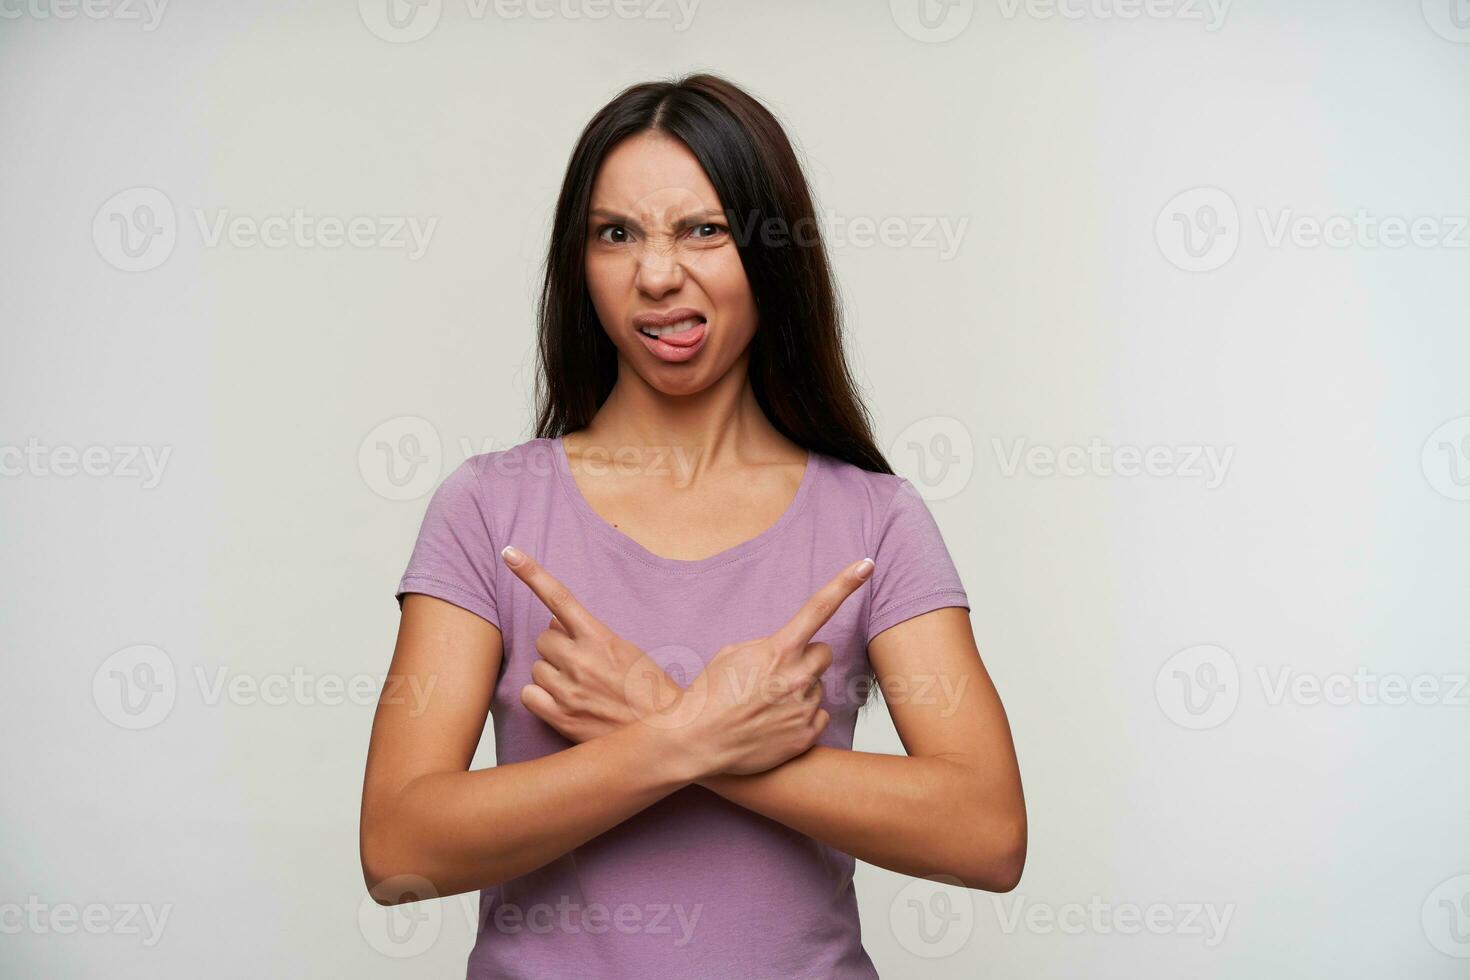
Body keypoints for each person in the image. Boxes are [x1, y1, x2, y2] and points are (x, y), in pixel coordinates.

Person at [359, 72, 1026, 979]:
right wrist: (685, 738)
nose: (658, 273)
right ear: (579, 260)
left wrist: (662, 719)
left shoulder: (876, 520)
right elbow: (398, 848)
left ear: (771, 252)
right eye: (616, 233)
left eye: (703, 230)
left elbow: (987, 835)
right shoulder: (488, 510)